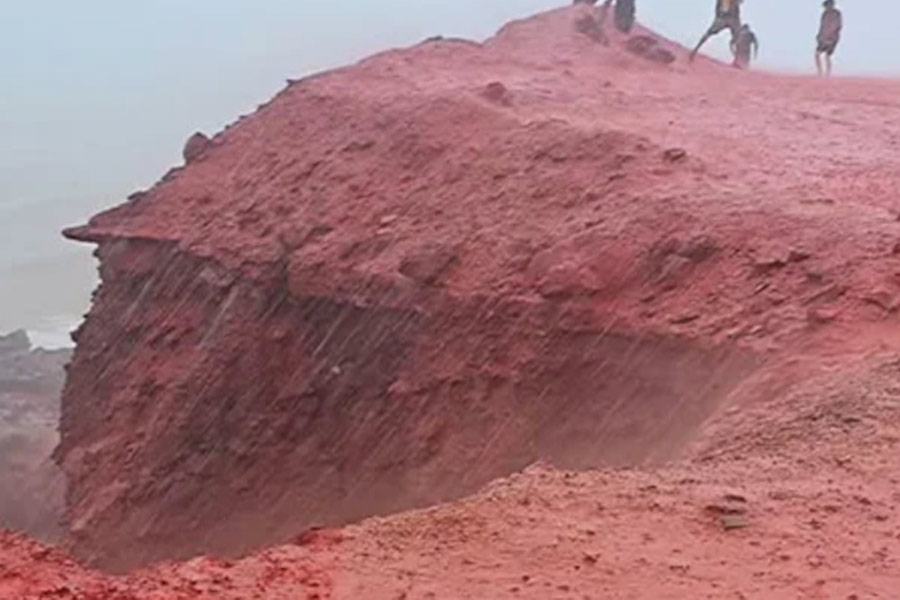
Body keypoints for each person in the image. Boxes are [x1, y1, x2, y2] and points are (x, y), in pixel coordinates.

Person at [816, 0, 842, 76]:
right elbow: (822, 26)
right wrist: (819, 35)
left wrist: (831, 36)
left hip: (832, 38)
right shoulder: (824, 14)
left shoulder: (837, 14)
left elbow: (838, 26)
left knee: (827, 55)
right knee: (817, 54)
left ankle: (828, 73)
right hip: (823, 37)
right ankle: (820, 71)